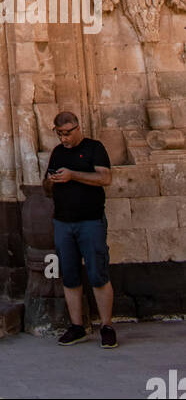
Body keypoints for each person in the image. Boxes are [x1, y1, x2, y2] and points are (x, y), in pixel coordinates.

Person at [43, 110, 117, 349]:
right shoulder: (57, 153)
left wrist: (72, 175)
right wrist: (51, 181)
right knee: (69, 275)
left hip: (90, 221)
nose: (64, 138)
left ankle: (106, 326)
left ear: (77, 128)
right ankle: (77, 326)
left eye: (67, 133)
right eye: (59, 134)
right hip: (63, 222)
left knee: (98, 273)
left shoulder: (94, 148)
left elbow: (105, 178)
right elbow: (46, 188)